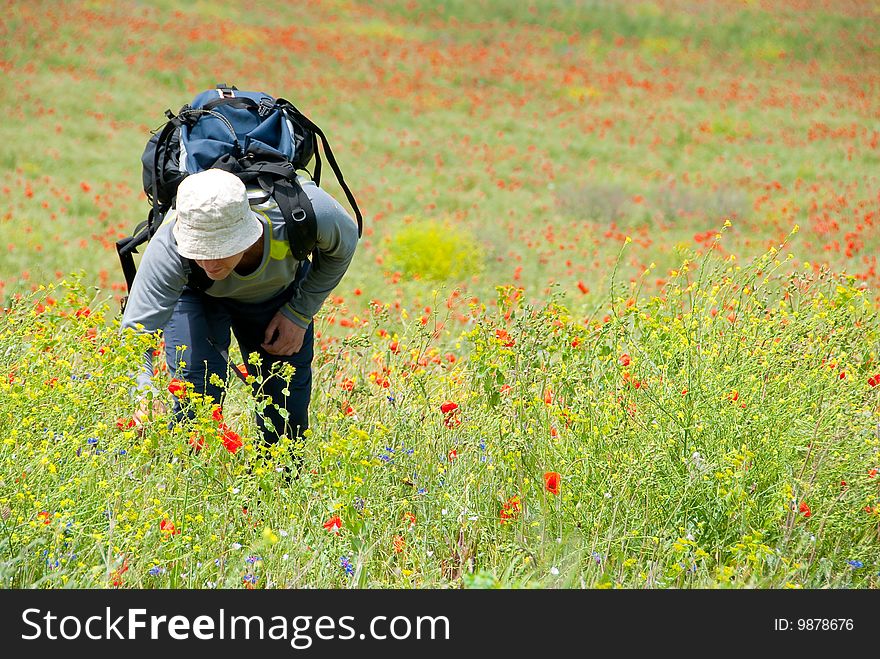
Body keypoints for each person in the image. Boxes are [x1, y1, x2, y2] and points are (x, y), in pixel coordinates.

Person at [121, 167, 358, 470]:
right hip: (197, 296)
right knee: (196, 395)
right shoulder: (170, 245)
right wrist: (144, 393)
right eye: (199, 250)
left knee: (286, 411)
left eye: (219, 250)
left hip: (276, 295)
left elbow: (345, 244)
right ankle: (190, 489)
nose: (208, 261)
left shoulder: (303, 213)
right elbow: (136, 331)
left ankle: (275, 496)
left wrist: (299, 312)